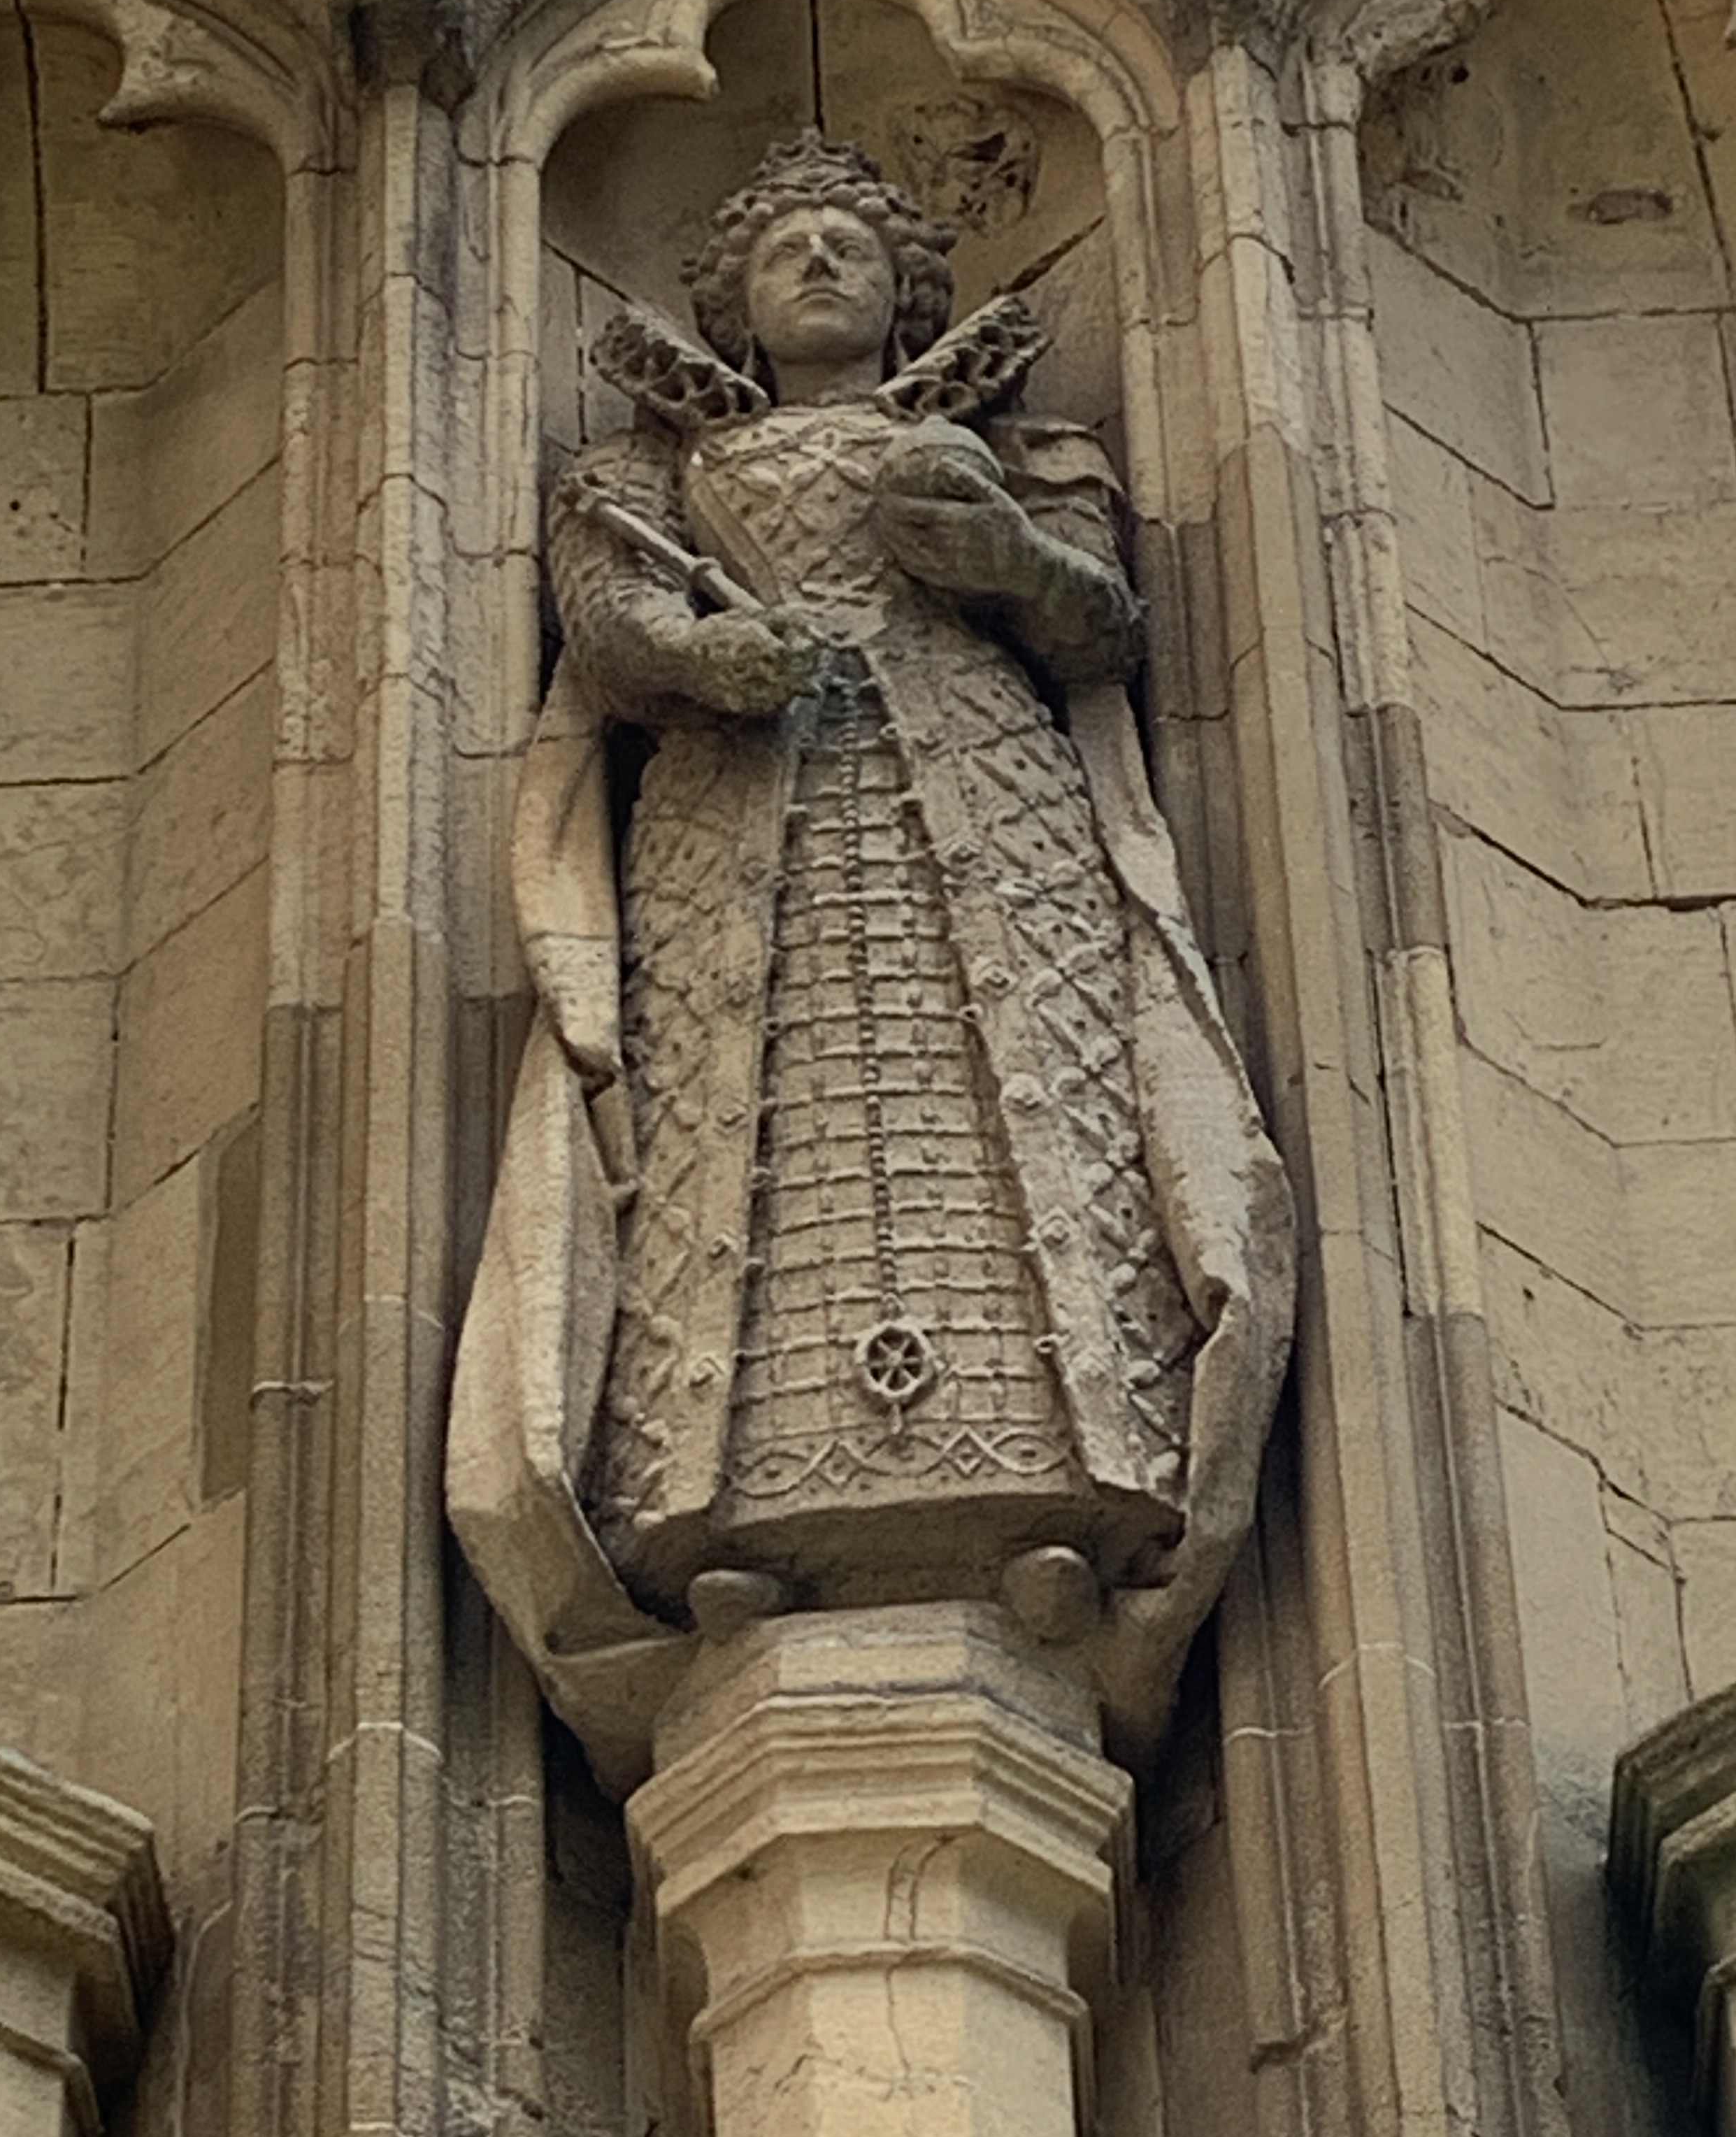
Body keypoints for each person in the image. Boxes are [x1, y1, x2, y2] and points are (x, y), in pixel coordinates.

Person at [449, 132, 1291, 1792]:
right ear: (734, 303)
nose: (819, 264)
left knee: (1012, 1121)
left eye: (851, 243)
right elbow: (606, 625)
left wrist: (994, 555)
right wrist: (703, 649)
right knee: (738, 1140)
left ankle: (1067, 1485)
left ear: (913, 292)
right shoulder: (651, 466)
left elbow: (1100, 623)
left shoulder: (1009, 444)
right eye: (785, 248)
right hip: (736, 825)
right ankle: (723, 1517)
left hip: (981, 812)